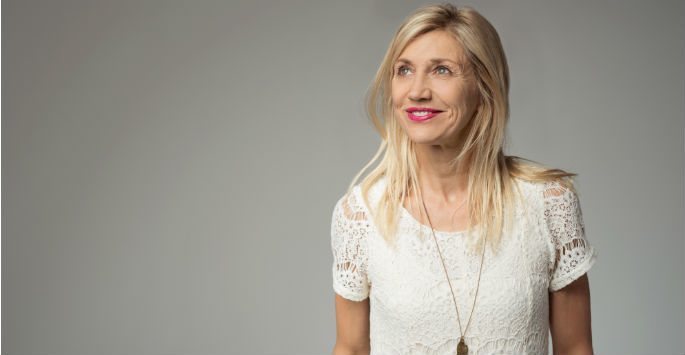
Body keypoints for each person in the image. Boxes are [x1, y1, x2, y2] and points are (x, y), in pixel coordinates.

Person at [330, 3, 598, 355]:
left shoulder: (548, 204)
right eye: (404, 70)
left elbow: (576, 347)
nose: (417, 91)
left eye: (441, 70)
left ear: (484, 86)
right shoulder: (361, 215)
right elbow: (349, 348)